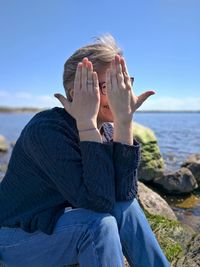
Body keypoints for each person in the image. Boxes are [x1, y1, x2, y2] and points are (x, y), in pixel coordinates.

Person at [0, 34, 170, 267]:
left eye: (122, 82)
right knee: (97, 224)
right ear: (75, 92)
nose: (119, 93)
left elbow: (123, 196)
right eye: (106, 85)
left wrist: (124, 121)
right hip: (16, 236)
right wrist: (87, 123)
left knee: (126, 208)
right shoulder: (46, 130)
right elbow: (97, 203)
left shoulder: (108, 130)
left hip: (59, 221)